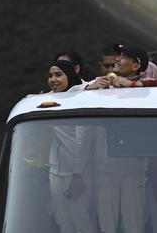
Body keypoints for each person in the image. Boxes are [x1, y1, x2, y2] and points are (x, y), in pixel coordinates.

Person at [46, 60, 96, 233]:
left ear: (71, 76)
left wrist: (78, 175)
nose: (53, 79)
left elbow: (83, 142)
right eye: (51, 75)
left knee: (81, 220)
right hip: (55, 173)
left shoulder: (79, 101)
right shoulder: (51, 99)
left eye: (58, 75)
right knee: (63, 222)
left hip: (77, 174)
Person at [81, 44, 157, 90]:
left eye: (123, 57)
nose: (117, 59)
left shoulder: (145, 83)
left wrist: (132, 84)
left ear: (135, 66)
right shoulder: (104, 80)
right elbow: (73, 90)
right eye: (119, 55)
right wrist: (89, 87)